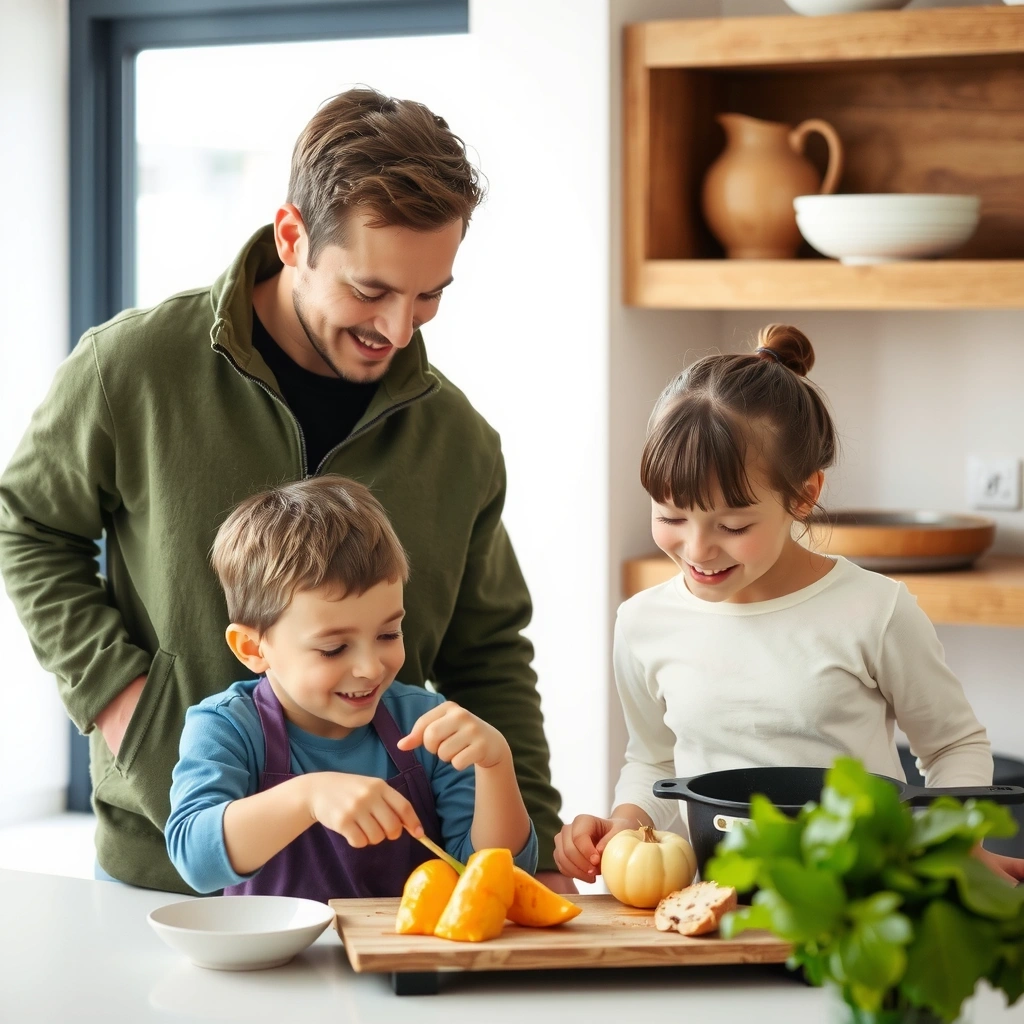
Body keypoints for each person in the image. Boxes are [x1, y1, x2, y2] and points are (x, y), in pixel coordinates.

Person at [0, 86, 568, 893]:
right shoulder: (132, 369)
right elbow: (25, 525)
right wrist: (121, 698)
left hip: (390, 899)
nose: (399, 330)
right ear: (292, 236)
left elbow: (490, 659)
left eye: (430, 294)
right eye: (371, 291)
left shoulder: (460, 441)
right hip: (164, 876)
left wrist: (531, 848)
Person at [554, 323, 1024, 887]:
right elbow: (653, 762)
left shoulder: (875, 611)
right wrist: (625, 824)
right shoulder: (642, 623)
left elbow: (954, 744)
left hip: (858, 894)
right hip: (719, 903)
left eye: (732, 524)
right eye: (671, 516)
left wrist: (952, 841)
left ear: (803, 495)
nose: (697, 549)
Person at [165, 476, 536, 899]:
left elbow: (491, 879)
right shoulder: (227, 727)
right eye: (334, 648)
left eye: (389, 634)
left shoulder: (424, 724)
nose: (369, 667)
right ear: (252, 647)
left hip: (407, 959)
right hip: (281, 965)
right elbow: (195, 858)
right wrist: (308, 795)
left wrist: (497, 767)